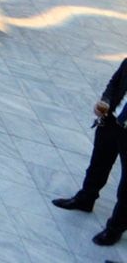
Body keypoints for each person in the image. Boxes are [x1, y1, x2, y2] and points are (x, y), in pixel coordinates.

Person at [54, 56, 127, 245]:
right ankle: (86, 198)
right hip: (112, 120)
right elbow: (115, 82)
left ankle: (115, 229)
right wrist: (106, 101)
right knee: (98, 163)